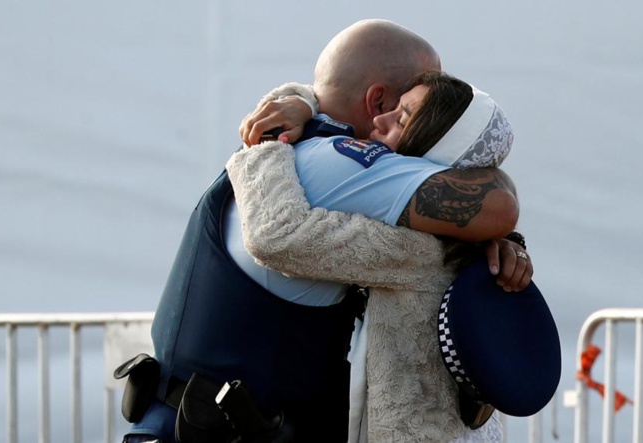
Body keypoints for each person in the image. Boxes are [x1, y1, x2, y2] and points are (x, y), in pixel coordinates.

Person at [119, 19, 523, 443]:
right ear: (378, 99)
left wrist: (301, 99)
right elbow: (497, 207)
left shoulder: (297, 148)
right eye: (409, 106)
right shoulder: (339, 161)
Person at [228, 71, 526, 443]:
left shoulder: (417, 250)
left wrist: (267, 144)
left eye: (401, 118)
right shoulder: (464, 239)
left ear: (434, 150)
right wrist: (301, 99)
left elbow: (278, 234)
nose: (377, 120)